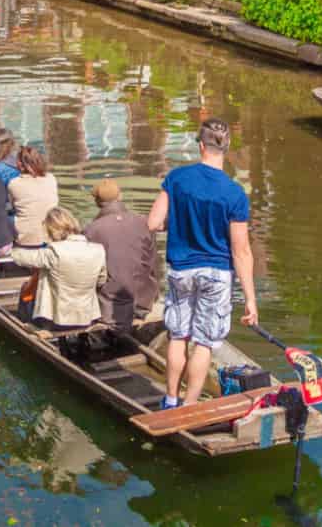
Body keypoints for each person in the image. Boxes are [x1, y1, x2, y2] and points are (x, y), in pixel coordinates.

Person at [146, 118, 255, 410]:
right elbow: (241, 251)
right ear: (227, 147)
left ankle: (170, 399)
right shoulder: (235, 194)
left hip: (182, 269)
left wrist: (179, 221)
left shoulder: (178, 179)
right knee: (204, 343)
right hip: (217, 274)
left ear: (200, 144)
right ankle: (190, 406)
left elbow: (154, 222)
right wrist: (250, 299)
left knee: (178, 336)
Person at [12, 206, 108, 329]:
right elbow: (101, 281)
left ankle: (25, 325)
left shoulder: (54, 251)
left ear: (51, 230)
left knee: (25, 288)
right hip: (87, 318)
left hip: (55, 322)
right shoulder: (98, 250)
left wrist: (7, 248)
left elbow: (21, 258)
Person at [85, 179, 160, 325]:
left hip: (109, 307)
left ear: (97, 202)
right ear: (121, 197)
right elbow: (152, 263)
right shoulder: (144, 222)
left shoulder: (91, 230)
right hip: (144, 302)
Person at [7, 145, 60, 247]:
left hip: (26, 240)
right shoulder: (51, 178)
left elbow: (14, 207)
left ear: (20, 164)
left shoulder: (14, 183)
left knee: (7, 217)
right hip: (51, 235)